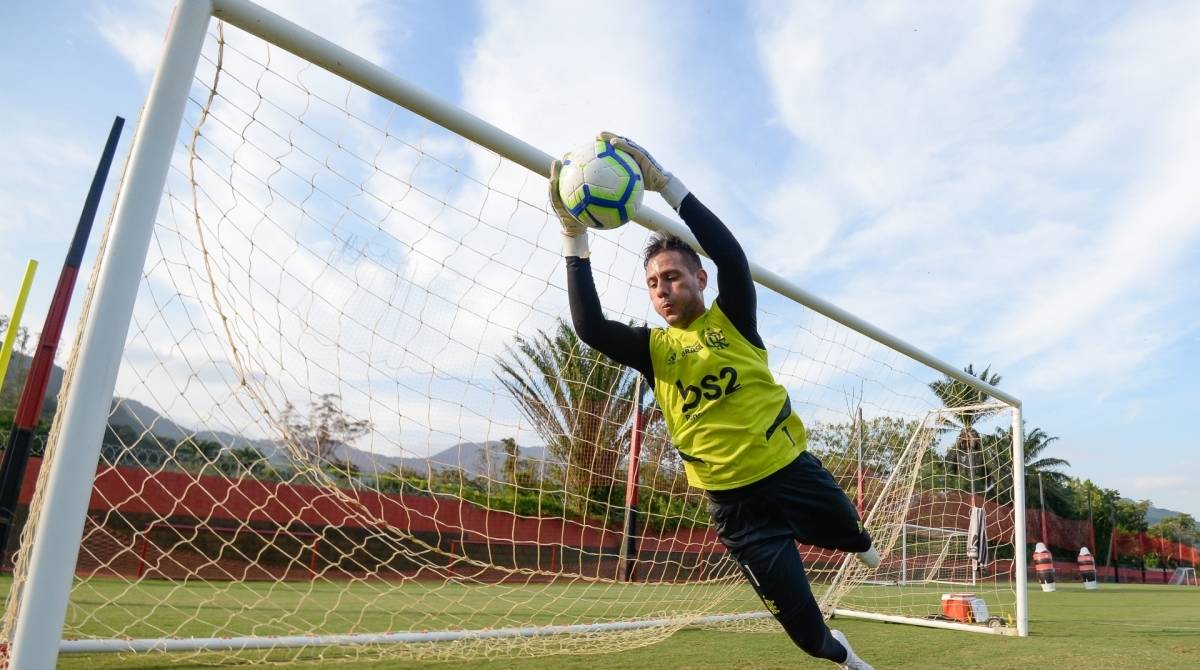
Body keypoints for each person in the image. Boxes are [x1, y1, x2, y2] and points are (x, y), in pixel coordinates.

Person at [548, 132, 878, 670]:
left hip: (791, 473)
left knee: (848, 530)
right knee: (805, 633)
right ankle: (846, 658)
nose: (662, 288)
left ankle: (857, 541)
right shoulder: (654, 350)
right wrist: (573, 236)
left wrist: (664, 185)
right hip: (736, 510)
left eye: (672, 276)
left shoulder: (733, 318)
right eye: (652, 282)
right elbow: (590, 328)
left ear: (700, 279)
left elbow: (731, 254)